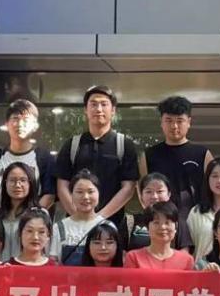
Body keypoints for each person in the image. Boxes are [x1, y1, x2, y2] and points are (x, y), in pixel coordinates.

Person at [55, 85, 140, 232]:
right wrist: (79, 216)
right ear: (86, 109)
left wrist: (98, 218)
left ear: (113, 110)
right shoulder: (72, 144)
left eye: (104, 104)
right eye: (93, 104)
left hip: (113, 226)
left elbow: (128, 188)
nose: (98, 109)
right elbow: (62, 185)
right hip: (75, 227)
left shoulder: (124, 144)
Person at [138, 95, 211, 252]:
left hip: (195, 221)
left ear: (189, 122)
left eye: (179, 120)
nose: (174, 126)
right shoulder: (149, 155)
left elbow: (212, 190)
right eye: (169, 120)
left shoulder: (202, 154)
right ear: (161, 122)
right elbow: (142, 189)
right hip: (160, 223)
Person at [0, 99, 56, 214]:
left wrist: (31, 218)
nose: (20, 124)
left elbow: (49, 195)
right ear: (6, 124)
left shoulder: (45, 159)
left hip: (33, 223)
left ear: (35, 126)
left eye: (26, 120)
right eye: (15, 118)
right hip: (0, 222)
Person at [51, 170, 106, 262]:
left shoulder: (107, 226)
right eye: (79, 192)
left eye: (90, 192)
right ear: (71, 195)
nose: (85, 197)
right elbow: (53, 261)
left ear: (98, 194)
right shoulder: (59, 227)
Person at [0, 162, 41, 262]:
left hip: (27, 268)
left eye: (23, 180)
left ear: (30, 183)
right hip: (0, 269)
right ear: (5, 183)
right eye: (12, 180)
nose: (17, 185)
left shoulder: (39, 215)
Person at [128, 173, 173, 251]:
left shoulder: (176, 220)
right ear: (141, 195)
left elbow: (184, 252)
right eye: (149, 192)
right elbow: (123, 253)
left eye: (159, 191)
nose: (154, 196)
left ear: (169, 194)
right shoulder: (129, 221)